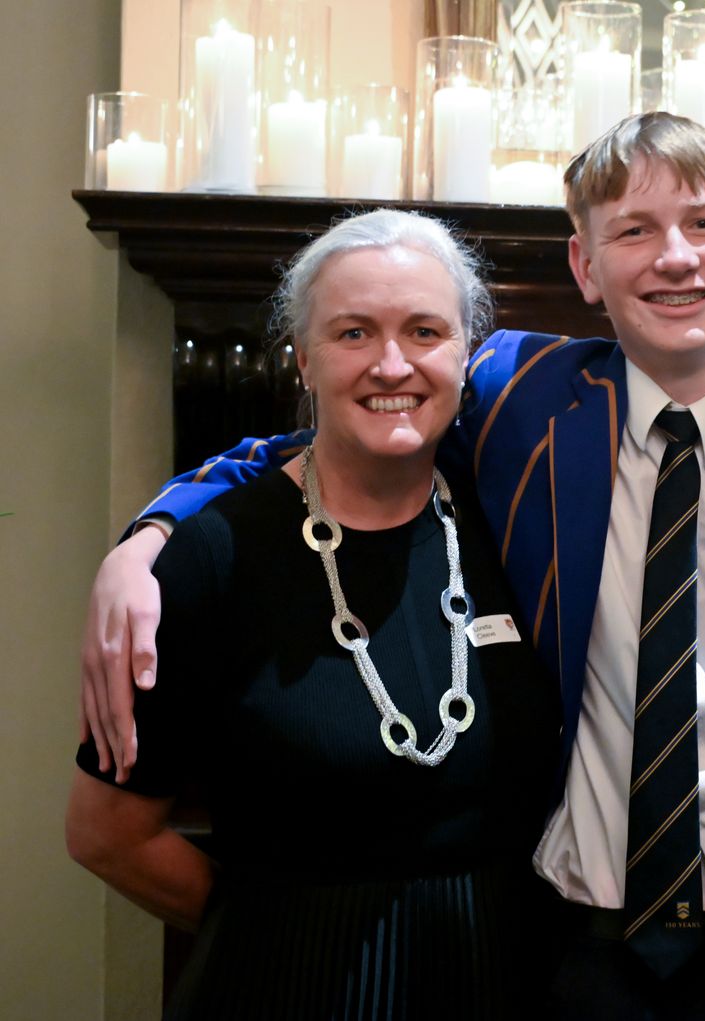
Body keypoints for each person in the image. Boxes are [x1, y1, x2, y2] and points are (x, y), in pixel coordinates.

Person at [80, 113, 705, 1020]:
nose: (676, 257)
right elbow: (338, 435)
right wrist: (152, 535)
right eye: (634, 231)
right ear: (585, 268)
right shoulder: (526, 401)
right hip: (566, 966)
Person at [66, 210, 561, 1020]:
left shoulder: (518, 522)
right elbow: (106, 833)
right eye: (353, 332)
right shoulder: (211, 556)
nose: (392, 363)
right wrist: (270, 927)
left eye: (425, 330)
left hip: (506, 982)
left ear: (465, 351)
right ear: (303, 356)